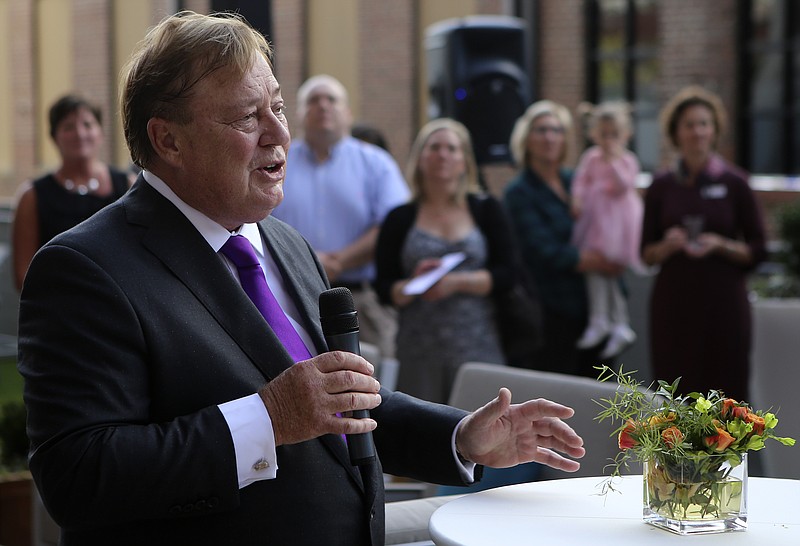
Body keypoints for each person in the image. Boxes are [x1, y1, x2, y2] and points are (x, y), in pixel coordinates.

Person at [17, 12, 585, 546]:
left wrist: (458, 438)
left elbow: (342, 404)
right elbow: (80, 477)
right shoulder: (86, 268)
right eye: (246, 117)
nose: (279, 135)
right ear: (168, 140)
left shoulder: (284, 242)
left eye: (279, 108)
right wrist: (268, 418)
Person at [641, 86, 767, 401]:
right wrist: (669, 245)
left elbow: (758, 249)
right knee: (675, 396)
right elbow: (645, 254)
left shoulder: (735, 183)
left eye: (704, 124)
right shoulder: (661, 186)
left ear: (714, 131)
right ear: (676, 132)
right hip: (675, 306)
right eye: (689, 124)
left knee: (728, 397)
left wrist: (720, 245)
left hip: (724, 306)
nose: (697, 132)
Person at [374, 118, 514, 404]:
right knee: (422, 437)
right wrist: (413, 285)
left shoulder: (487, 209)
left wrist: (456, 283)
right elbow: (383, 286)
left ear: (465, 160)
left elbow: (509, 273)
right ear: (420, 158)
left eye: (452, 148)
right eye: (434, 147)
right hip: (418, 349)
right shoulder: (399, 217)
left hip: (478, 345)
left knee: (485, 435)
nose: (443, 155)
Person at [271, 74, 409, 359]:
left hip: (361, 302)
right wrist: (309, 262)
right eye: (313, 100)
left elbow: (393, 227)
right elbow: (258, 220)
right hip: (291, 297)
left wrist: (340, 261)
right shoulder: (275, 162)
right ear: (299, 114)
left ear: (347, 113)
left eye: (331, 99)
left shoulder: (376, 163)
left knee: (374, 390)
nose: (323, 106)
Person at [503, 100, 624, 378]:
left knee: (602, 400)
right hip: (552, 313)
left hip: (596, 308)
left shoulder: (578, 180)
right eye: (541, 130)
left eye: (557, 130)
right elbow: (541, 250)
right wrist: (596, 260)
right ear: (526, 138)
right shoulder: (518, 193)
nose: (549, 137)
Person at [11, 94, 132, 290]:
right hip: (59, 310)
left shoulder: (128, 185)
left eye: (87, 124)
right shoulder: (31, 196)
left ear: (100, 132)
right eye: (68, 127)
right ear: (54, 137)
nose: (80, 133)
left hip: (121, 304)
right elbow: (24, 274)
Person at [571, 101, 643, 359]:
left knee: (612, 274)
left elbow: (624, 186)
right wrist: (577, 200)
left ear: (625, 135)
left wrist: (613, 161)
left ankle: (619, 322)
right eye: (604, 135)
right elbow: (580, 181)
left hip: (618, 225)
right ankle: (601, 320)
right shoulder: (590, 157)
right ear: (594, 134)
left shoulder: (627, 160)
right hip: (596, 223)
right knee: (596, 271)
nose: (608, 140)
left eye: (614, 135)